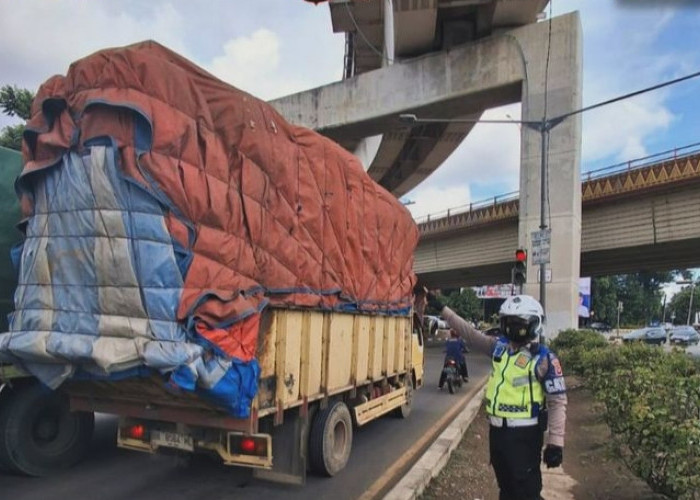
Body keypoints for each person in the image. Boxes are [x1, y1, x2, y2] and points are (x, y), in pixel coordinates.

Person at [427, 290, 567, 500]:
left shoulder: (543, 359)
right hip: (498, 434)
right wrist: (442, 309)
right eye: (508, 322)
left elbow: (557, 402)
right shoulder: (499, 348)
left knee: (526, 491)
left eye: (518, 323)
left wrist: (556, 442)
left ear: (532, 324)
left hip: (525, 436)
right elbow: (470, 333)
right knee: (506, 488)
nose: (512, 328)